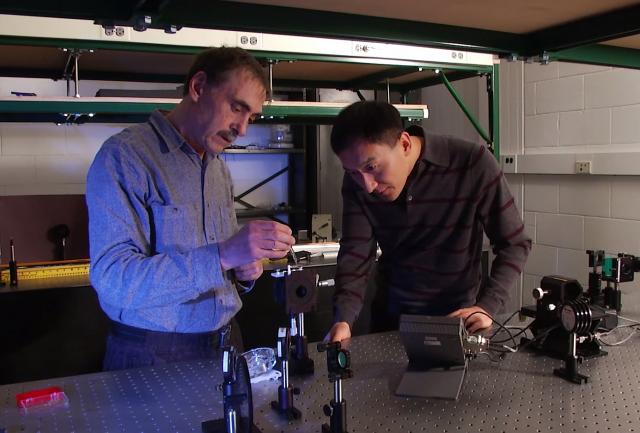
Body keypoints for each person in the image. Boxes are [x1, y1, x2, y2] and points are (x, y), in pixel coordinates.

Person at [86, 47, 295, 370]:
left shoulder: (217, 168)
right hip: (152, 355)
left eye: (251, 117)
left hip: (226, 341)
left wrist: (242, 270)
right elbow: (114, 279)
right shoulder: (126, 157)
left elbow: (220, 263)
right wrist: (223, 255)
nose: (242, 129)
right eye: (236, 108)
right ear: (198, 87)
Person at [326, 101, 531, 342]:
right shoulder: (358, 183)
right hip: (391, 323)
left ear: (404, 144)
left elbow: (515, 243)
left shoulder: (472, 163)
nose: (367, 186)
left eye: (372, 166)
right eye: (352, 172)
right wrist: (343, 320)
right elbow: (355, 255)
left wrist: (487, 306)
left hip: (458, 322)